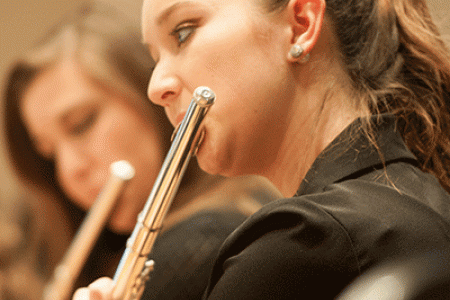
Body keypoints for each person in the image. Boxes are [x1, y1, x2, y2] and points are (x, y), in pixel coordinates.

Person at [72, 0, 450, 299]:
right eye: (155, 58)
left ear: (301, 23)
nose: (156, 86)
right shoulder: (426, 196)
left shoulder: (301, 242)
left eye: (183, 32)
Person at [2, 2, 281, 299]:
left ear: (150, 94)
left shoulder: (198, 243)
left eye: (81, 124)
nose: (70, 170)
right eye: (49, 154)